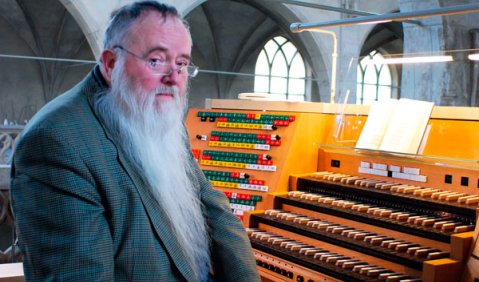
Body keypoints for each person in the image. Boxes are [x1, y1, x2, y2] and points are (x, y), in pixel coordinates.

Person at [10, 1, 260, 281]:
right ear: (111, 63)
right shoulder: (56, 142)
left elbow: (216, 211)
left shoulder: (157, 113)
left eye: (181, 63)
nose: (173, 77)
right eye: (156, 60)